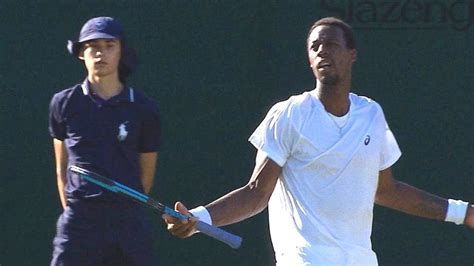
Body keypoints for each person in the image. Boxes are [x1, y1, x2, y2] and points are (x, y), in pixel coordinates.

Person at [163, 17, 473, 265]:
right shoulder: (288, 115)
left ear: (352, 55)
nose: (322, 51)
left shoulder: (371, 115)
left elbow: (386, 189)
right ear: (310, 61)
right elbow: (256, 193)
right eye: (315, 47)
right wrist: (199, 219)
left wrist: (463, 213)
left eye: (331, 44)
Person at [49, 17, 161, 266]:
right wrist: (75, 211)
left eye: (109, 45)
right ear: (81, 53)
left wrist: (124, 208)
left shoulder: (144, 109)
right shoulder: (64, 103)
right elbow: (62, 167)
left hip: (128, 224)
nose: (101, 53)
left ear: (121, 50)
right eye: (93, 46)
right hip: (79, 223)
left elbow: (146, 175)